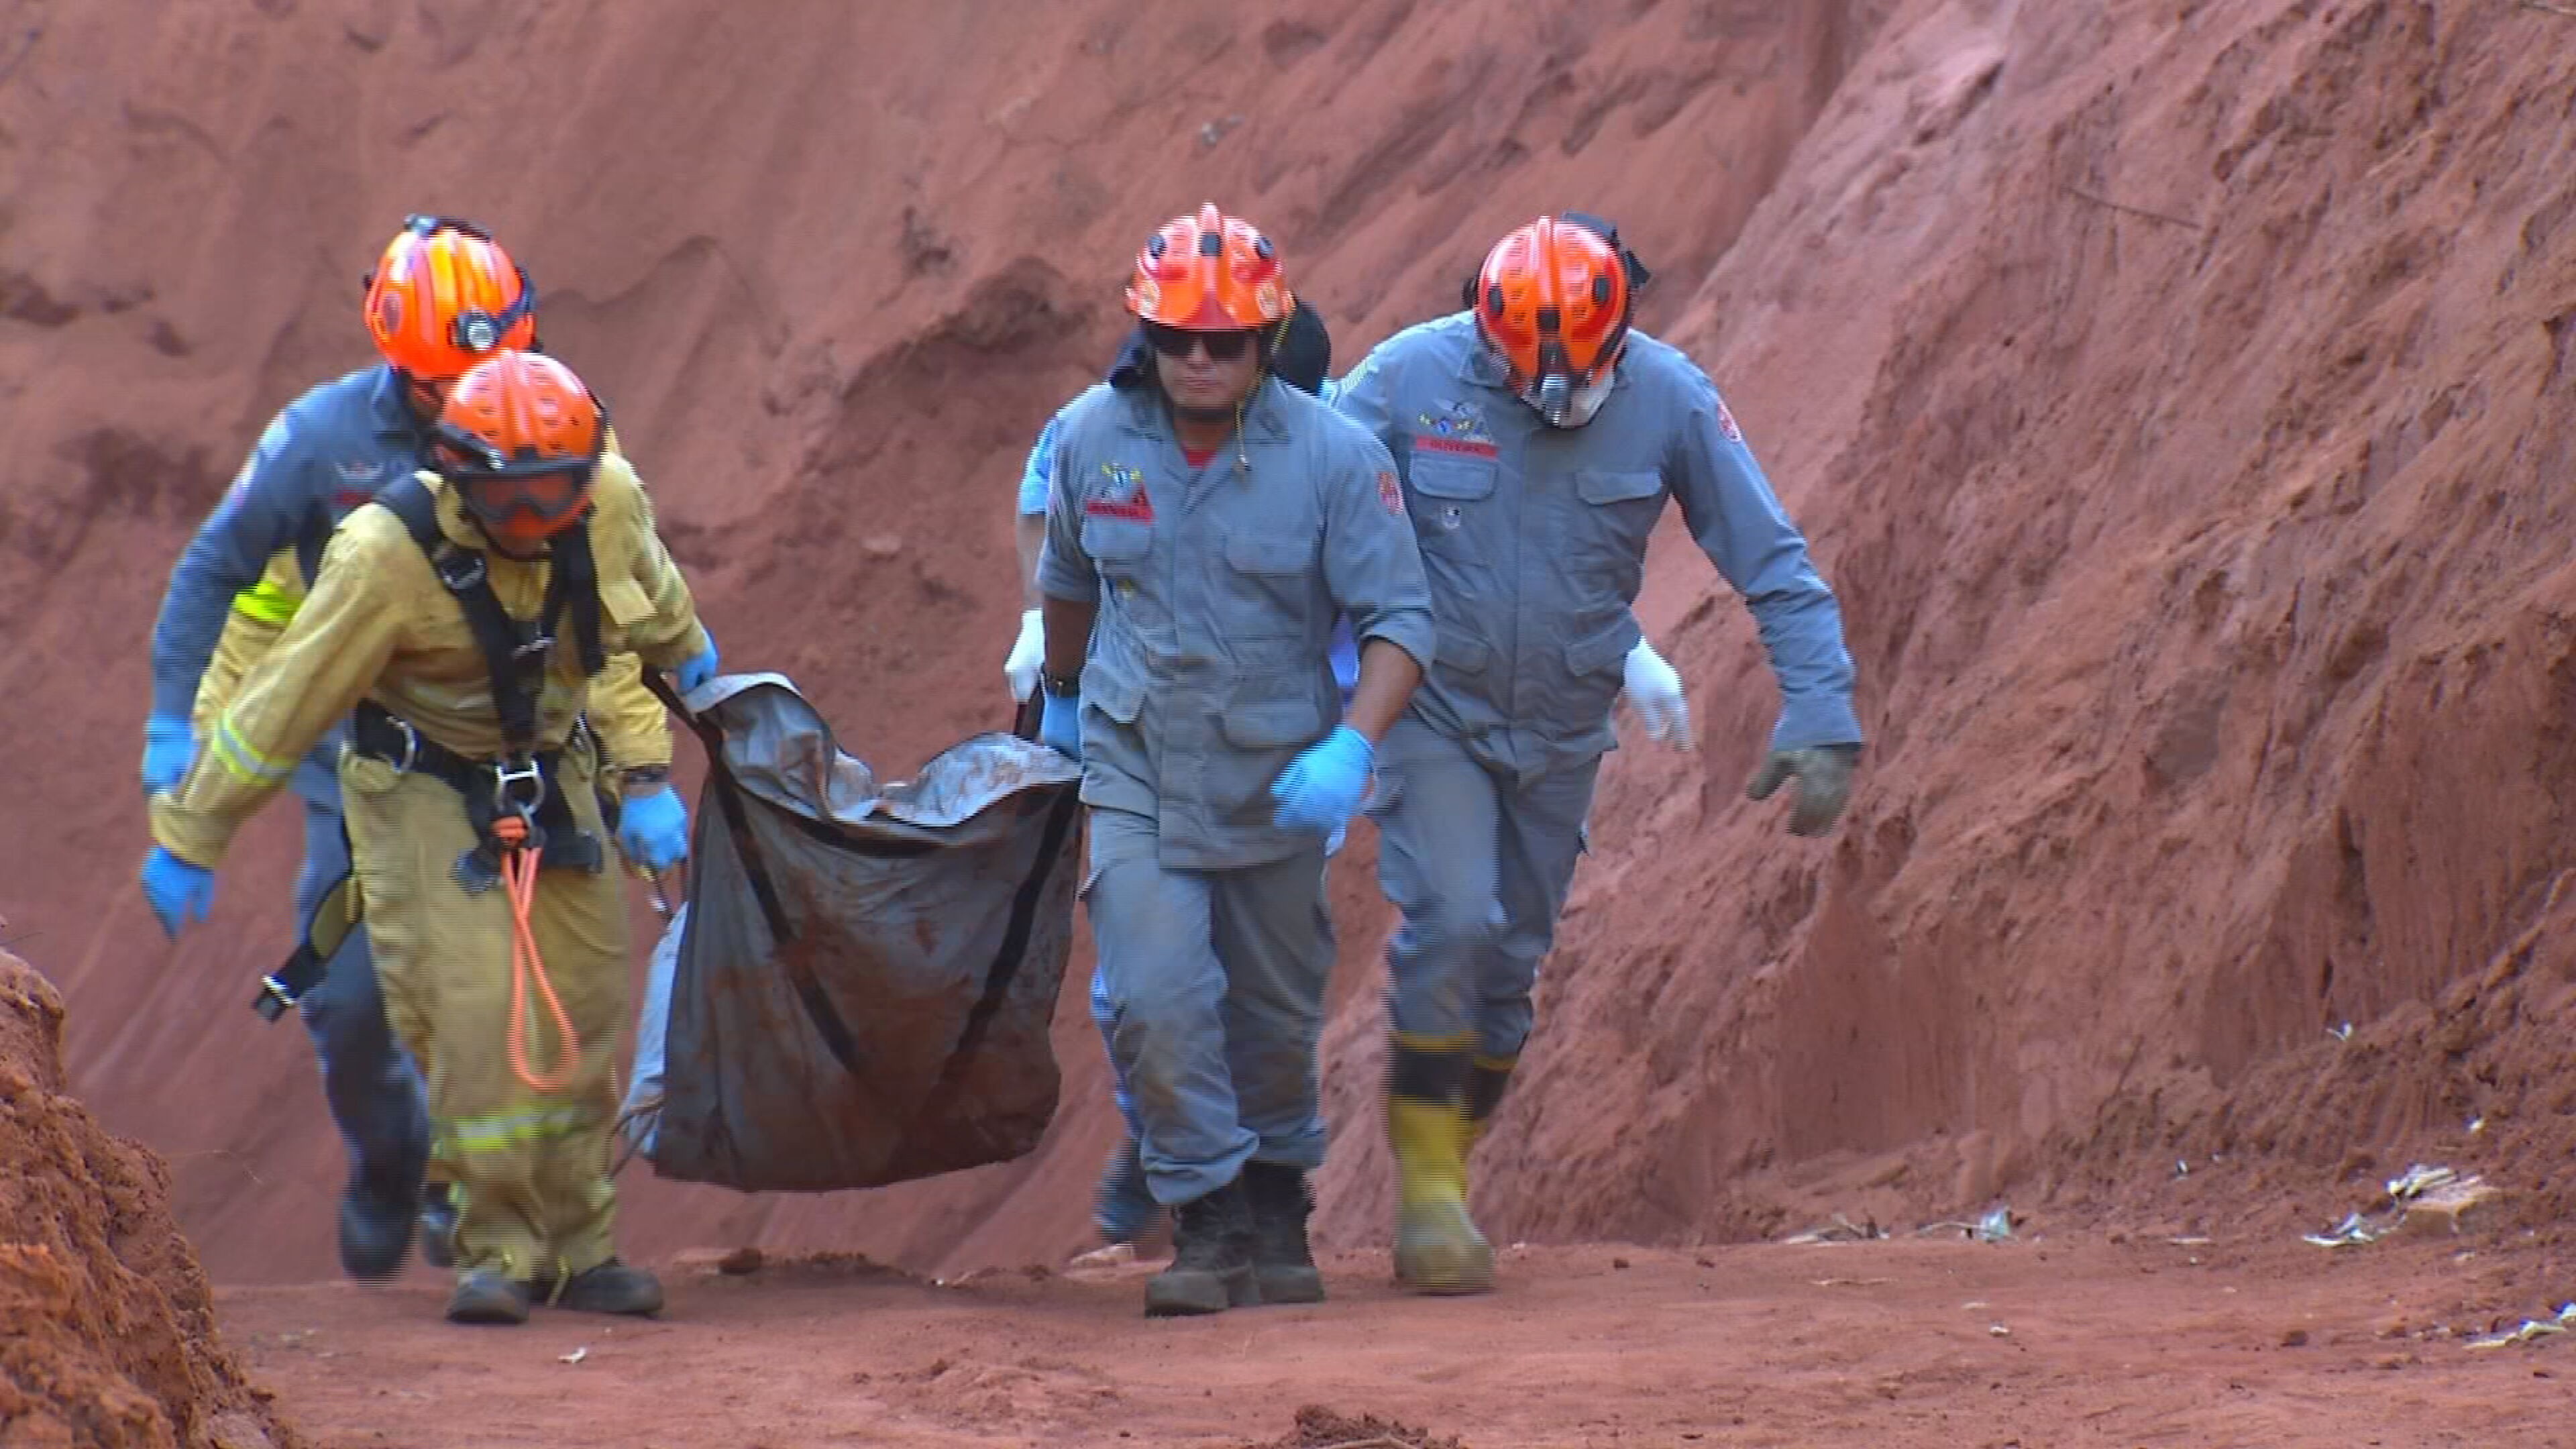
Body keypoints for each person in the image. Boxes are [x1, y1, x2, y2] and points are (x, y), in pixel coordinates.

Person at [140, 215, 700, 1281]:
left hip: (524, 735)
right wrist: (191, 754)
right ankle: (401, 1163)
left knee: (556, 996)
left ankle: (520, 1217)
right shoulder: (324, 455)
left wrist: (642, 773)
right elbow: (247, 611)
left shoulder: (558, 432)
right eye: (463, 379)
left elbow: (610, 616)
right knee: (364, 999)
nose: (492, 389)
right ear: (409, 373)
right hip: (363, 738)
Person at [1332, 213, 1862, 1294]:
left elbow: (1770, 556)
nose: (1556, 392)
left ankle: (1453, 1151)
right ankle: (1430, 1201)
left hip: (1565, 727)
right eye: (1529, 373)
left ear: (1620, 330)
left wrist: (1821, 708)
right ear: (1490, 329)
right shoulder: (1405, 381)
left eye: (1582, 370)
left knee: (1510, 968)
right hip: (1434, 709)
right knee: (1453, 920)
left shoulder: (1670, 398)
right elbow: (1303, 509)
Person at [1034, 203, 1434, 1316]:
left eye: (1226, 342)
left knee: (1269, 1008)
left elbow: (1402, 620)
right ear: (1146, 338)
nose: (1200, 362)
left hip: (1275, 774)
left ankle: (1272, 1200)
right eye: (1177, 340)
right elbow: (1068, 578)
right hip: (1134, 767)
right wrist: (1062, 705)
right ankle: (1204, 1217)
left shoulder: (1336, 460)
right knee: (1153, 997)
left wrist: (1355, 746)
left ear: (1267, 340)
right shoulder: (1089, 440)